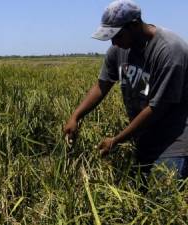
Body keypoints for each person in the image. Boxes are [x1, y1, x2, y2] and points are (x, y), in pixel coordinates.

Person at [63, 0, 188, 179]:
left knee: (161, 198)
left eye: (118, 35)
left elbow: (156, 108)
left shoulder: (169, 50)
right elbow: (102, 85)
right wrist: (75, 116)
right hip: (144, 137)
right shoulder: (119, 49)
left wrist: (116, 140)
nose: (114, 42)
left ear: (135, 25)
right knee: (141, 193)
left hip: (174, 142)